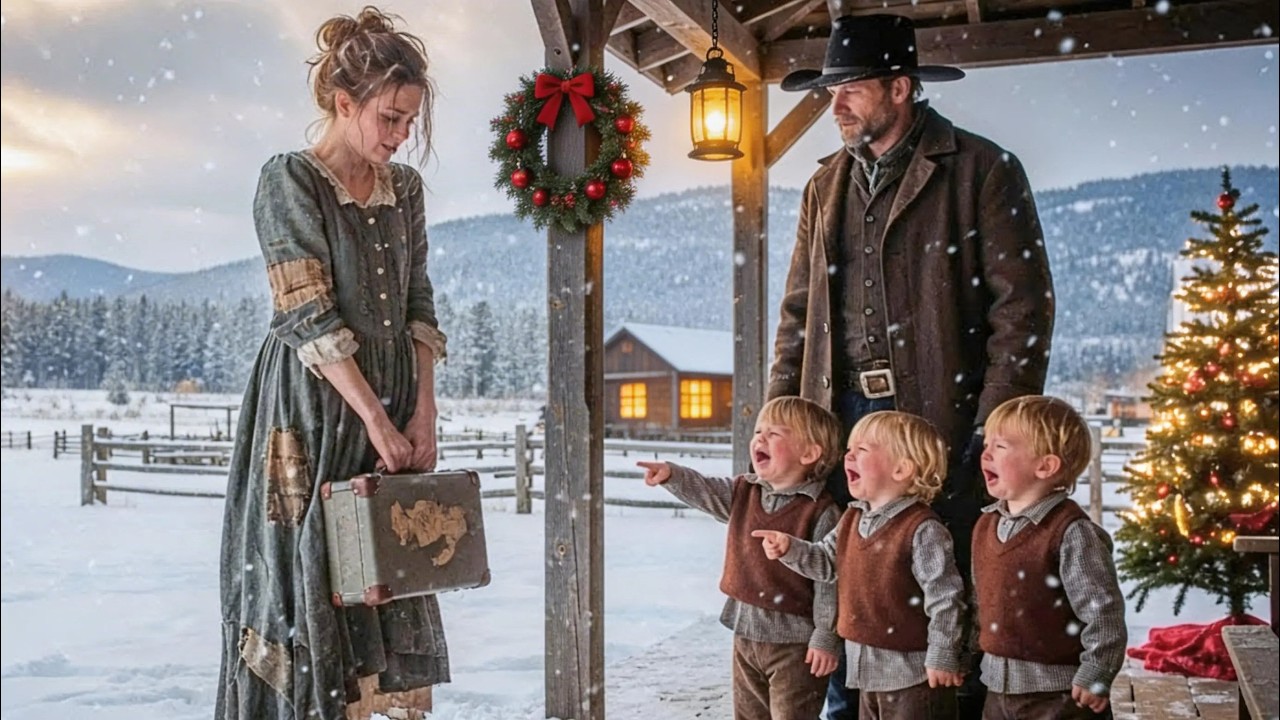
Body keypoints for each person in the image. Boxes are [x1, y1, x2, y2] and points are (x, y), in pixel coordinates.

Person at [769, 13, 1055, 718]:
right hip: (840, 422)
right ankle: (847, 707)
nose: (834, 106)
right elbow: (798, 314)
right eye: (829, 90)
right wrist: (781, 417)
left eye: (850, 89)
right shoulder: (824, 185)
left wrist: (991, 433)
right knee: (848, 575)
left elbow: (1022, 313)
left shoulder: (984, 170)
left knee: (947, 578)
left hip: (944, 414)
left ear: (901, 88)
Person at [216, 7, 450, 720]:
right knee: (313, 561)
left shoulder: (403, 191)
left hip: (391, 396)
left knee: (391, 559)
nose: (400, 135)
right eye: (389, 118)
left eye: (409, 121)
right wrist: (374, 418)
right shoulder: (291, 179)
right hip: (313, 406)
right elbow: (307, 312)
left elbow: (418, 301)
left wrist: (422, 409)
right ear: (343, 103)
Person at [637, 396, 845, 720]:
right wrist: (671, 476)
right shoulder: (743, 493)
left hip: (796, 645)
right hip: (745, 635)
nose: (759, 438)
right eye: (758, 430)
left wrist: (825, 636)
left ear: (809, 453)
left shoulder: (822, 513)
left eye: (774, 433)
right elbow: (704, 489)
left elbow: (830, 581)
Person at [753, 411, 968, 720]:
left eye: (861, 451)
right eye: (849, 449)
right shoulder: (852, 518)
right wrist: (791, 549)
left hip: (916, 676)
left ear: (901, 469)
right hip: (867, 673)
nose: (848, 456)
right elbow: (826, 563)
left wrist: (943, 652)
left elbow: (945, 598)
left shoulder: (923, 530)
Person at [973, 395, 1126, 720]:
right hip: (996, 692)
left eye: (1000, 447)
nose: (984, 453)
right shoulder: (987, 526)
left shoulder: (1071, 533)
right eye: (986, 444)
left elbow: (1103, 612)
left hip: (1059, 698)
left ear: (1045, 465)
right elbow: (981, 603)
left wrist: (1097, 672)